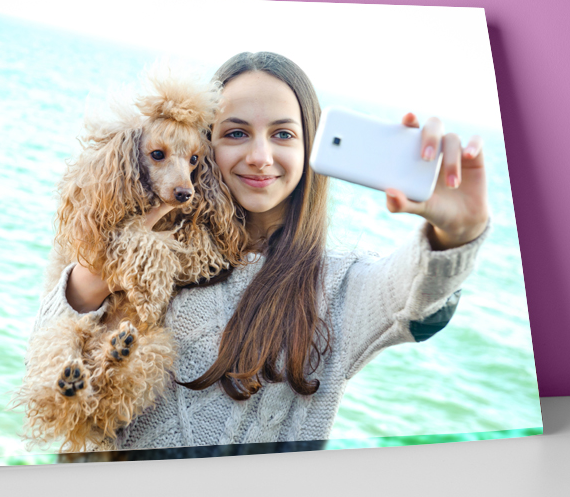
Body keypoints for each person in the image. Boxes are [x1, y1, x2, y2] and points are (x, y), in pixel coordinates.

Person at [36, 51, 490, 459]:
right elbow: (45, 354)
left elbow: (414, 291)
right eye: (235, 133)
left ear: (309, 148)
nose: (259, 155)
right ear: (203, 144)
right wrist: (99, 266)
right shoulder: (143, 240)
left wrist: (459, 230)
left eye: (282, 135)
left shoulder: (340, 285)